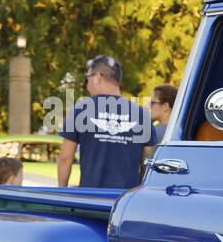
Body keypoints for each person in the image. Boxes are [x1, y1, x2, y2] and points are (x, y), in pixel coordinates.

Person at [58, 55, 156, 189]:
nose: (87, 85)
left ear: (98, 77)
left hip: (90, 199)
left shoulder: (81, 110)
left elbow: (65, 158)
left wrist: (61, 190)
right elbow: (149, 159)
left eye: (87, 79)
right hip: (125, 202)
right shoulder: (141, 114)